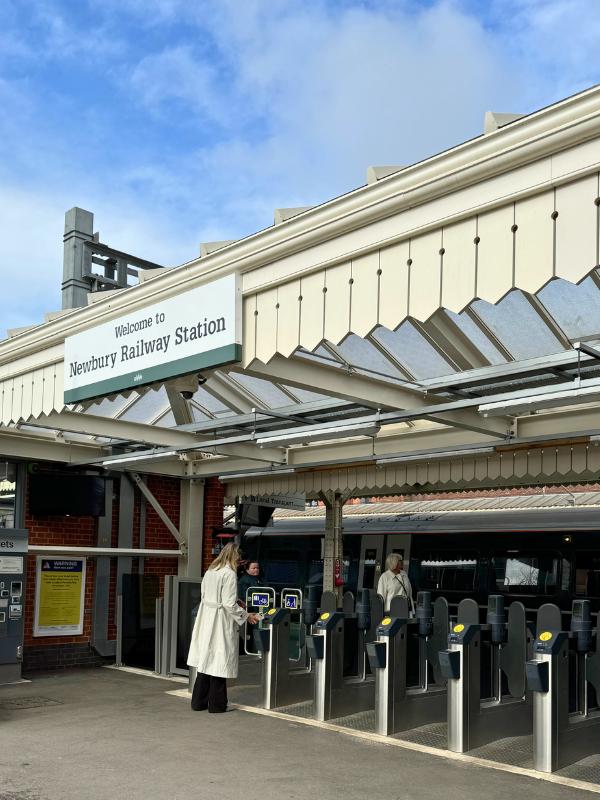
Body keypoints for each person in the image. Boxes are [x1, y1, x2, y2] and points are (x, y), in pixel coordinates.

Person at [187, 543, 259, 713]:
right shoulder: (229, 574)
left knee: (206, 659)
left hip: (206, 617)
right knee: (220, 659)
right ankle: (218, 705)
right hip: (220, 620)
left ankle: (198, 702)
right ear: (235, 557)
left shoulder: (211, 571)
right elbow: (228, 603)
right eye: (240, 560)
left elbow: (206, 596)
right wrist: (247, 615)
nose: (240, 564)